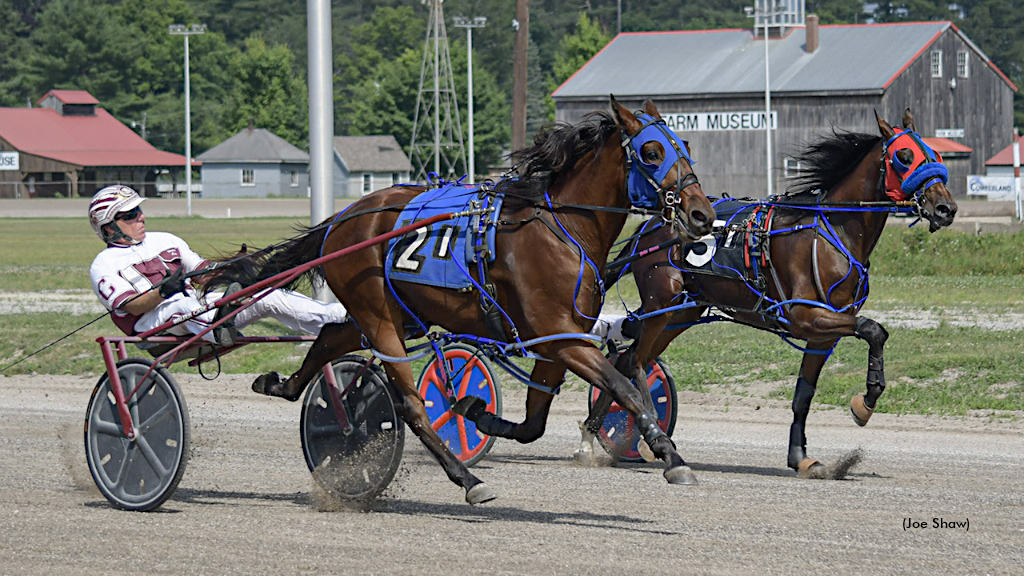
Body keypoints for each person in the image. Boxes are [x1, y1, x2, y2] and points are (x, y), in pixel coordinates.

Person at [88, 185, 347, 347]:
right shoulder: (103, 265)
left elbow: (204, 272)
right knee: (182, 304)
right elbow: (131, 306)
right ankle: (217, 326)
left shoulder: (165, 240)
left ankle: (342, 318)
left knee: (268, 296)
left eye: (139, 210)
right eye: (131, 214)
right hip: (151, 325)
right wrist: (164, 292)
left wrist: (239, 265)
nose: (141, 216)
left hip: (202, 312)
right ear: (109, 227)